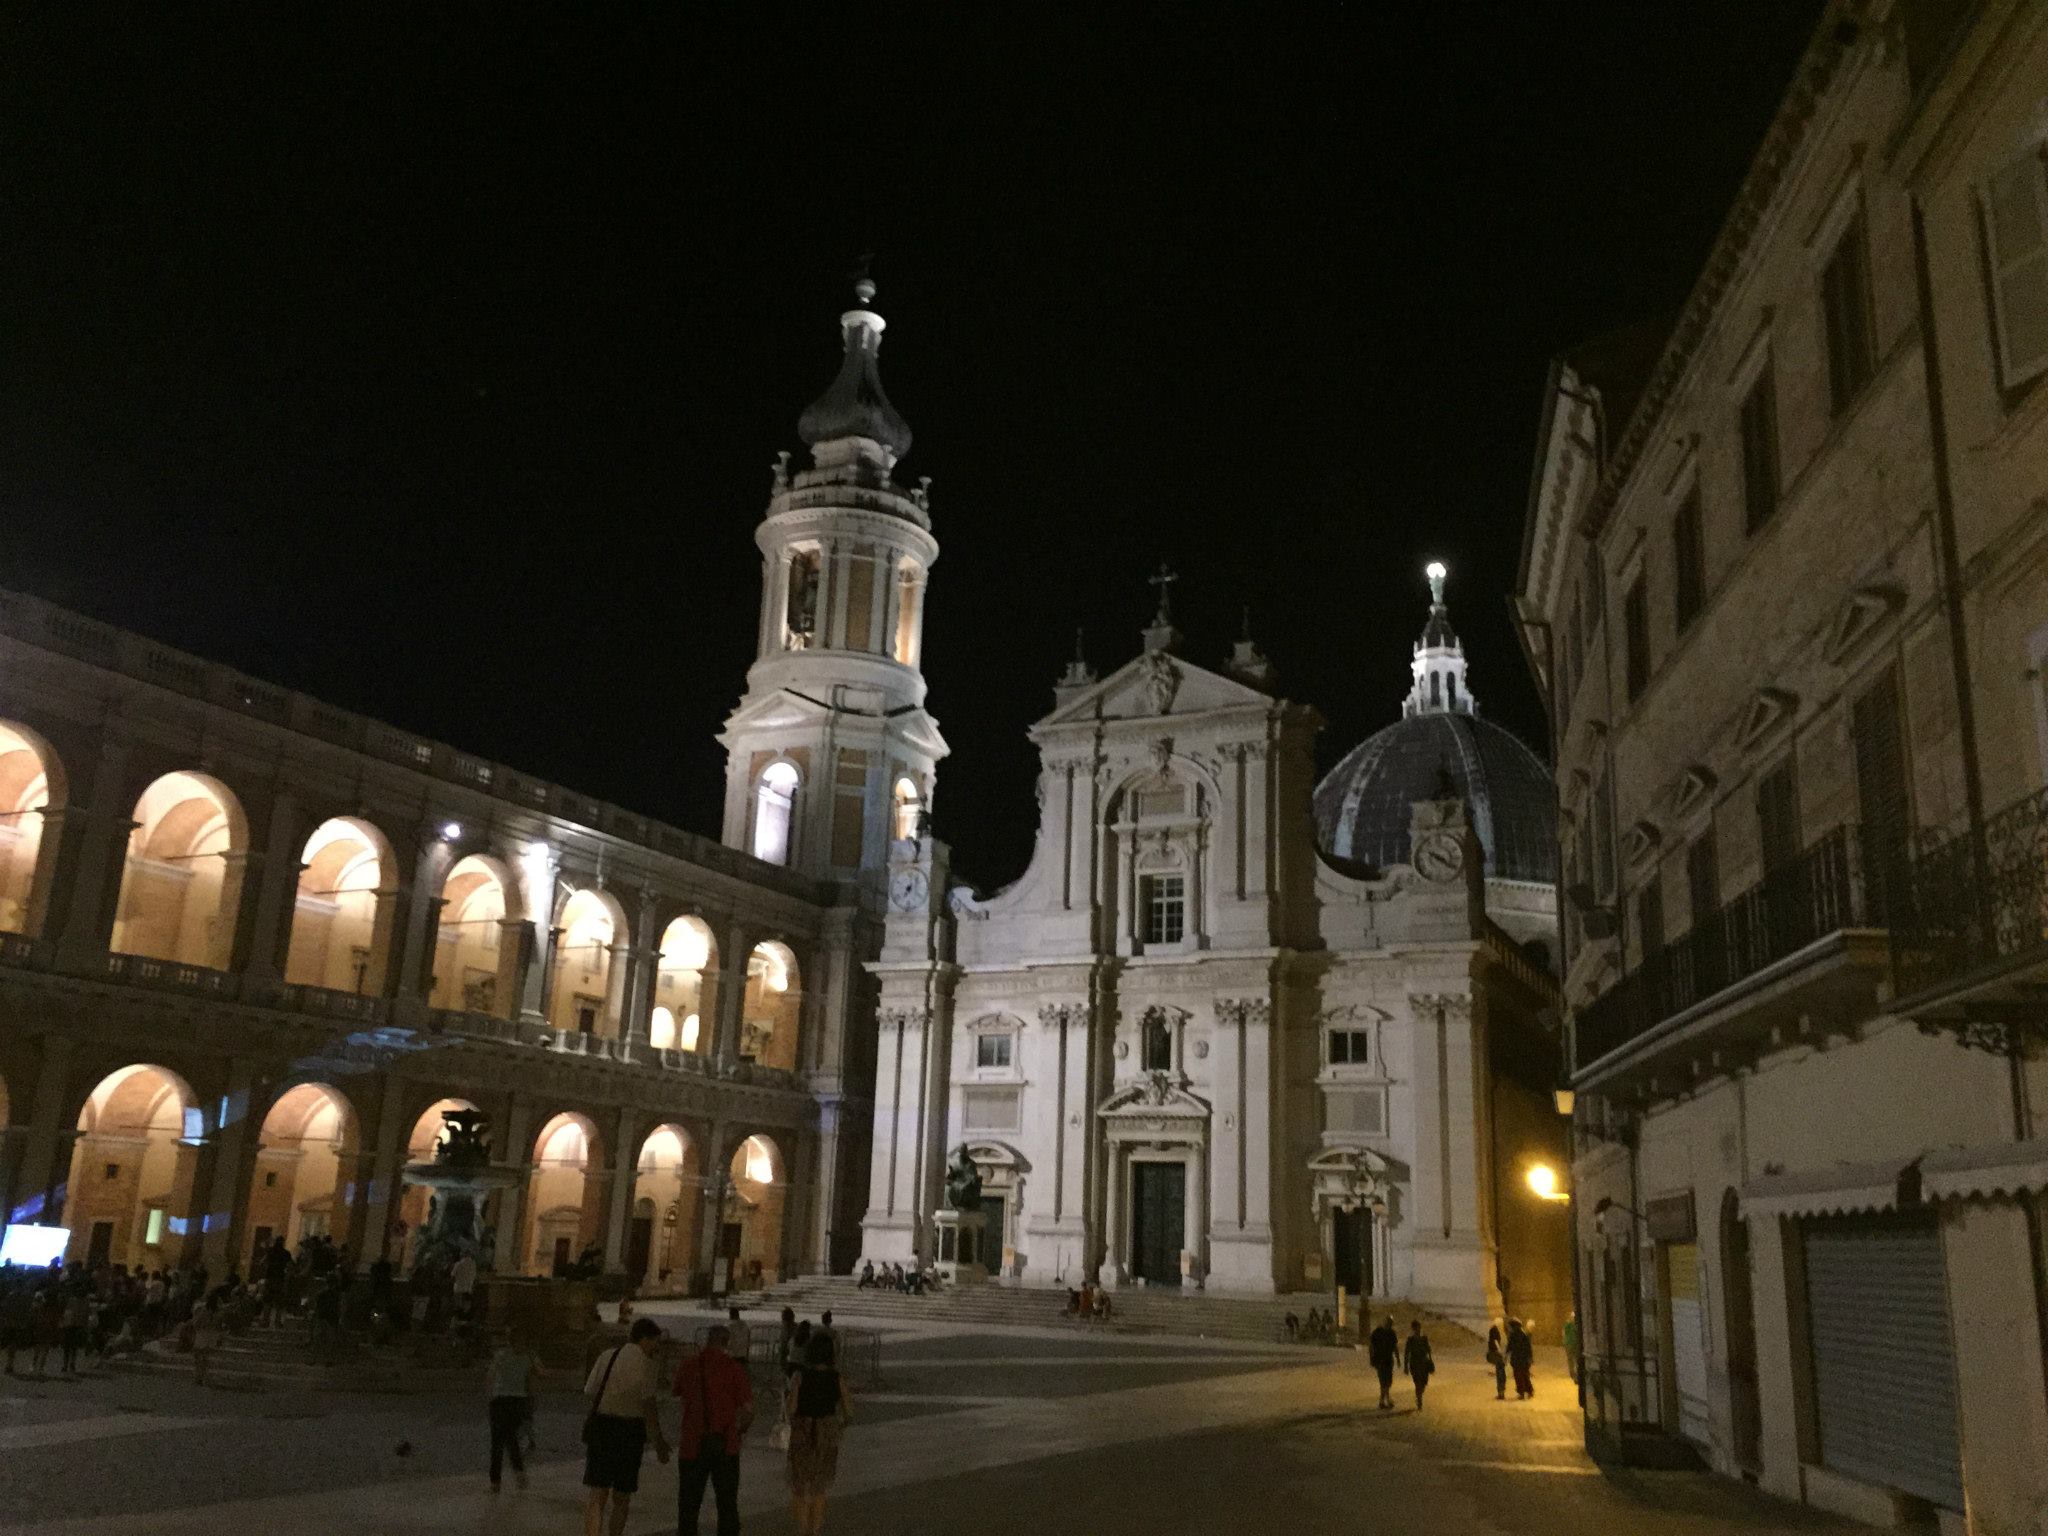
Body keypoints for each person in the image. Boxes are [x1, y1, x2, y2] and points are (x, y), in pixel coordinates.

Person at [582, 1317, 671, 1536]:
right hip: (630, 1431)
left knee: (598, 1493)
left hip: (603, 1426)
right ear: (646, 1339)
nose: (657, 1346)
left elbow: (590, 1390)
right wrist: (658, 1440)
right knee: (622, 1495)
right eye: (655, 1341)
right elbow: (649, 1405)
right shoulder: (648, 1364)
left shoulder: (608, 1355)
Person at [675, 1323, 753, 1536]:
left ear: (707, 1340)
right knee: (727, 1503)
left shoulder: (688, 1366)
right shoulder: (734, 1369)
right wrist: (740, 1430)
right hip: (725, 1442)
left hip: (692, 1443)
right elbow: (747, 1410)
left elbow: (679, 1393)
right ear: (727, 1343)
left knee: (689, 1505)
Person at [786, 1329, 851, 1536]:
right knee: (819, 1487)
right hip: (827, 1431)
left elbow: (792, 1408)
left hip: (803, 1431)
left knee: (801, 1485)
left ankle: (802, 1529)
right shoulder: (836, 1378)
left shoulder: (800, 1376)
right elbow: (849, 1410)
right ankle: (815, 1530)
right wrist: (840, 1425)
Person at [486, 1330, 541, 1491]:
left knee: (497, 1440)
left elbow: (490, 1376)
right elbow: (538, 1375)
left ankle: (496, 1481)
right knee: (511, 1438)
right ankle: (518, 1473)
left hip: (500, 1399)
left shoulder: (501, 1355)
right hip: (517, 1401)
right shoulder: (529, 1356)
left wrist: (490, 1396)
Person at [190, 1296, 223, 1386]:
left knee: (197, 1357)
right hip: (212, 1334)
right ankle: (204, 1377)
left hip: (202, 1334)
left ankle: (198, 1377)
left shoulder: (203, 1311)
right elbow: (219, 1326)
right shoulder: (218, 1313)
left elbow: (196, 1323)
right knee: (205, 1358)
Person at [1367, 1315, 1399, 1409]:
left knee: (1386, 1382)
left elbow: (1394, 1347)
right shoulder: (1380, 1332)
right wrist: (1371, 1358)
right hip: (1382, 1360)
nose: (1389, 1325)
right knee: (1385, 1382)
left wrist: (1397, 1358)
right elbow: (1371, 1346)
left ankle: (1384, 1400)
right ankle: (1385, 1400)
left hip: (1386, 1360)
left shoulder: (1384, 1332)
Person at [1403, 1319, 1434, 1410]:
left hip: (1424, 1363)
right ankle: (1419, 1399)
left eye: (1419, 1327)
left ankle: (1419, 1395)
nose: (1418, 1329)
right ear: (1413, 1328)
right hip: (1415, 1363)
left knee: (1423, 1383)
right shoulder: (1410, 1340)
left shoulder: (1424, 1338)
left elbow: (1429, 1350)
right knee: (1418, 1383)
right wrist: (1405, 1366)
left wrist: (1431, 1361)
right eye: (1416, 1327)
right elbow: (1406, 1353)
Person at [1507, 1317, 1535, 1400]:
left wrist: (1506, 1354)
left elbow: (1510, 1346)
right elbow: (1528, 1347)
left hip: (1517, 1359)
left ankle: (1521, 1392)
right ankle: (1529, 1390)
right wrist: (1530, 1357)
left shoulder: (1513, 1335)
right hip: (1524, 1359)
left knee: (1518, 1376)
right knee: (1525, 1375)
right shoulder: (1524, 1334)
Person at [449, 1251, 478, 1322]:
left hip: (458, 1289)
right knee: (466, 1309)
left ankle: (456, 1323)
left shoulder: (458, 1264)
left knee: (457, 1308)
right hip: (468, 1289)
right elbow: (475, 1277)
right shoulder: (473, 1264)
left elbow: (452, 1276)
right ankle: (465, 1323)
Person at [1486, 1321, 1507, 1400]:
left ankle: (1501, 1393)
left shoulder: (1494, 1330)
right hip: (1498, 1353)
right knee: (1501, 1373)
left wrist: (1499, 1351)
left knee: (1500, 1373)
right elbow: (1496, 1342)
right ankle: (1501, 1392)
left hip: (1496, 1353)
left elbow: (1495, 1342)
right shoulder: (1496, 1330)